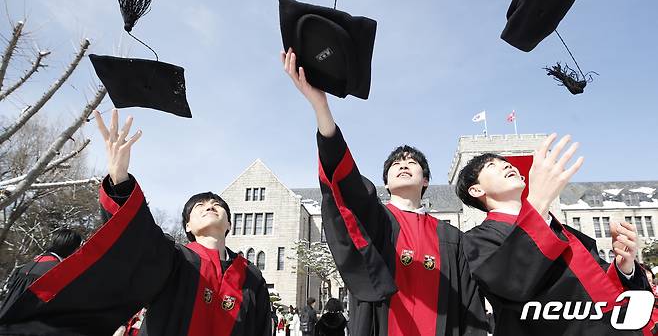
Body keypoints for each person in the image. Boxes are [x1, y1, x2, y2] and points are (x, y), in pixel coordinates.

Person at [0, 109, 272, 336]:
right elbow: (136, 236)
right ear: (187, 227)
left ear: (229, 225)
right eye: (199, 206)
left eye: (217, 205)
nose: (209, 206)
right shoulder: (174, 258)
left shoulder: (251, 277)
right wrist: (119, 178)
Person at [282, 49, 488, 336]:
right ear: (386, 183)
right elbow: (347, 186)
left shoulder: (452, 238)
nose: (404, 165)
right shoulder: (376, 221)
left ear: (426, 180)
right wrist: (321, 107)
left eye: (412, 163)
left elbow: (470, 308)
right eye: (396, 164)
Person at [456, 134, 651, 335]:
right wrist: (537, 203)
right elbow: (510, 286)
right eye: (491, 165)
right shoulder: (476, 240)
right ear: (476, 189)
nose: (507, 166)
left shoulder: (563, 230)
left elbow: (597, 284)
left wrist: (624, 268)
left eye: (506, 163)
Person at [0, 229, 82, 314]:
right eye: (77, 247)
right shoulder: (57, 271)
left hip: (7, 317)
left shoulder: (28, 265)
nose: (78, 251)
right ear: (70, 247)